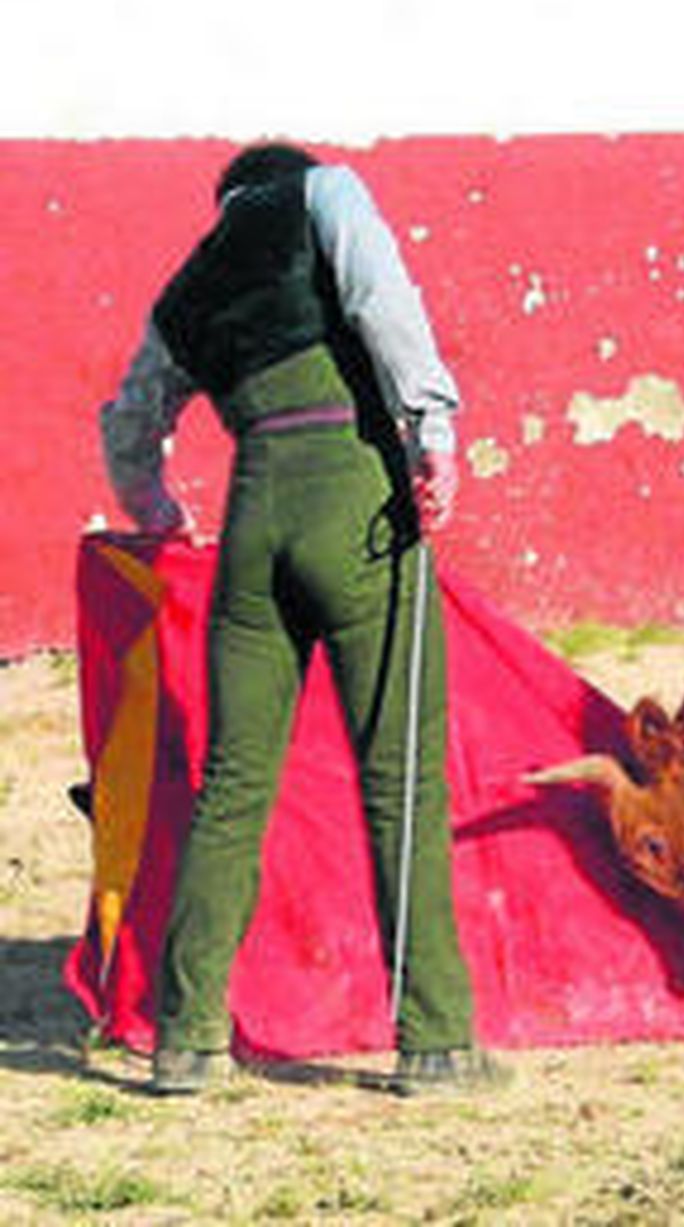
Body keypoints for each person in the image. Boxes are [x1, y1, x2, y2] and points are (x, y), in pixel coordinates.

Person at [100, 142, 501, 1096]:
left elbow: (130, 418)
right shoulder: (325, 194)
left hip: (255, 515)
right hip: (353, 493)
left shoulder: (190, 281)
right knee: (398, 772)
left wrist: (156, 509)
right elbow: (379, 302)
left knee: (233, 779)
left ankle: (186, 1037)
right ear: (288, 176)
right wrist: (432, 431)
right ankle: (438, 1037)